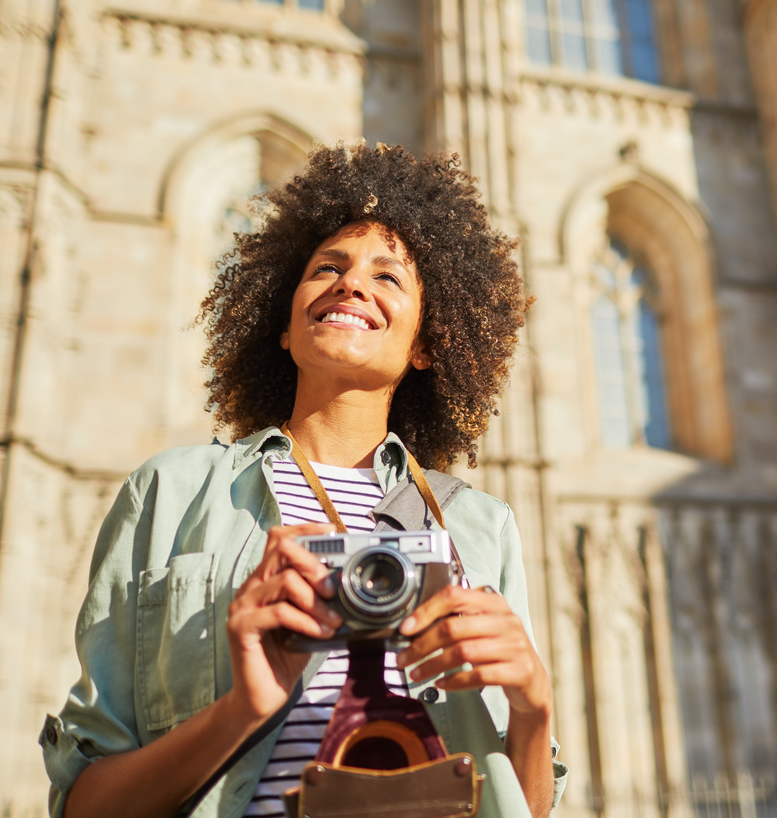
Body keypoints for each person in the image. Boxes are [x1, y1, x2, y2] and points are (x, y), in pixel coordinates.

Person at [39, 142, 566, 818]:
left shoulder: (478, 526)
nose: (352, 285)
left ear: (426, 344)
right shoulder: (171, 494)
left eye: (389, 278)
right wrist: (243, 709)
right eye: (328, 268)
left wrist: (533, 707)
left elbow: (520, 806)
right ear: (283, 326)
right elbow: (85, 805)